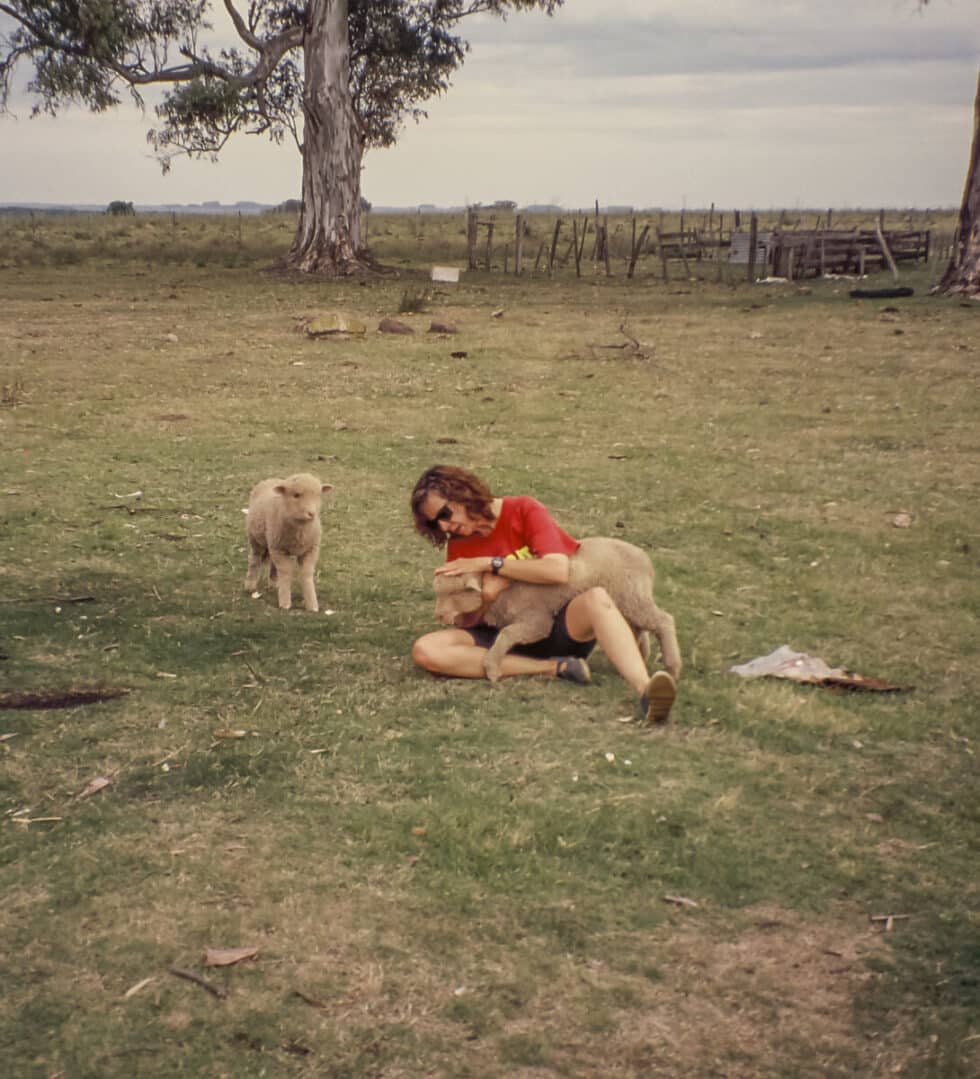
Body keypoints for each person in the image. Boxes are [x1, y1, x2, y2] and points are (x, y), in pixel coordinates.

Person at [410, 465, 677, 724]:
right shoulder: (460, 544)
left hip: (557, 622)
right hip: (500, 630)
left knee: (597, 598)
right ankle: (554, 668)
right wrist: (488, 598)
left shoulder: (523, 510)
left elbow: (558, 570)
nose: (444, 527)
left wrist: (491, 563)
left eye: (445, 513)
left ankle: (647, 692)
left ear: (462, 493)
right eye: (436, 523)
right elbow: (466, 620)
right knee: (426, 650)